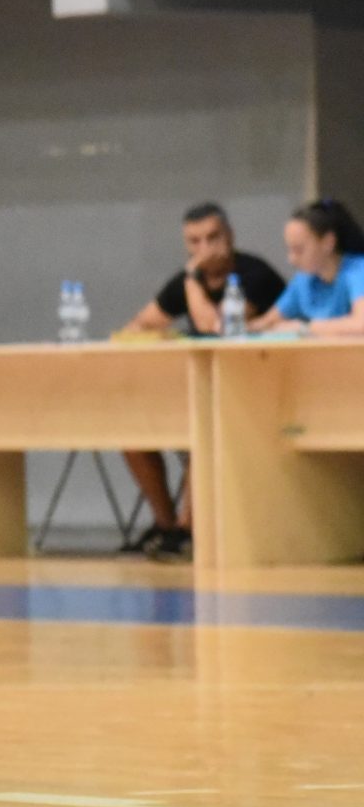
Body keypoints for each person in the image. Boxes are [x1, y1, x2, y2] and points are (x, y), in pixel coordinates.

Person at [118, 203, 286, 558]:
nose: (204, 249)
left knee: (201, 433)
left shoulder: (254, 275)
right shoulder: (184, 282)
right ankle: (166, 527)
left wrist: (192, 278)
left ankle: (188, 529)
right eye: (194, 242)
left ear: (230, 236)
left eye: (212, 238)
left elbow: (214, 326)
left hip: (256, 394)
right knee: (132, 435)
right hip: (199, 390)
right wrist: (159, 337)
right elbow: (140, 324)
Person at [253, 200, 364, 336]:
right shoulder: (303, 279)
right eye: (289, 249)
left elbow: (361, 325)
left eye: (299, 250)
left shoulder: (358, 270)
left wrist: (305, 327)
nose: (291, 259)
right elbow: (267, 323)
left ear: (328, 242)